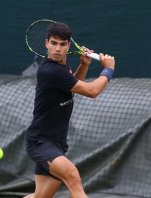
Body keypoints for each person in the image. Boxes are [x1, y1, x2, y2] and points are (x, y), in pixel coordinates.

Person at [24, 22, 115, 198]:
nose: (57, 48)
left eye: (62, 44)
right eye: (53, 43)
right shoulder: (50, 71)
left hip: (56, 142)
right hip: (40, 142)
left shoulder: (61, 70)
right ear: (46, 44)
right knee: (73, 177)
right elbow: (92, 91)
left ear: (68, 45)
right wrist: (108, 69)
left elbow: (70, 87)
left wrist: (85, 65)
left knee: (41, 196)